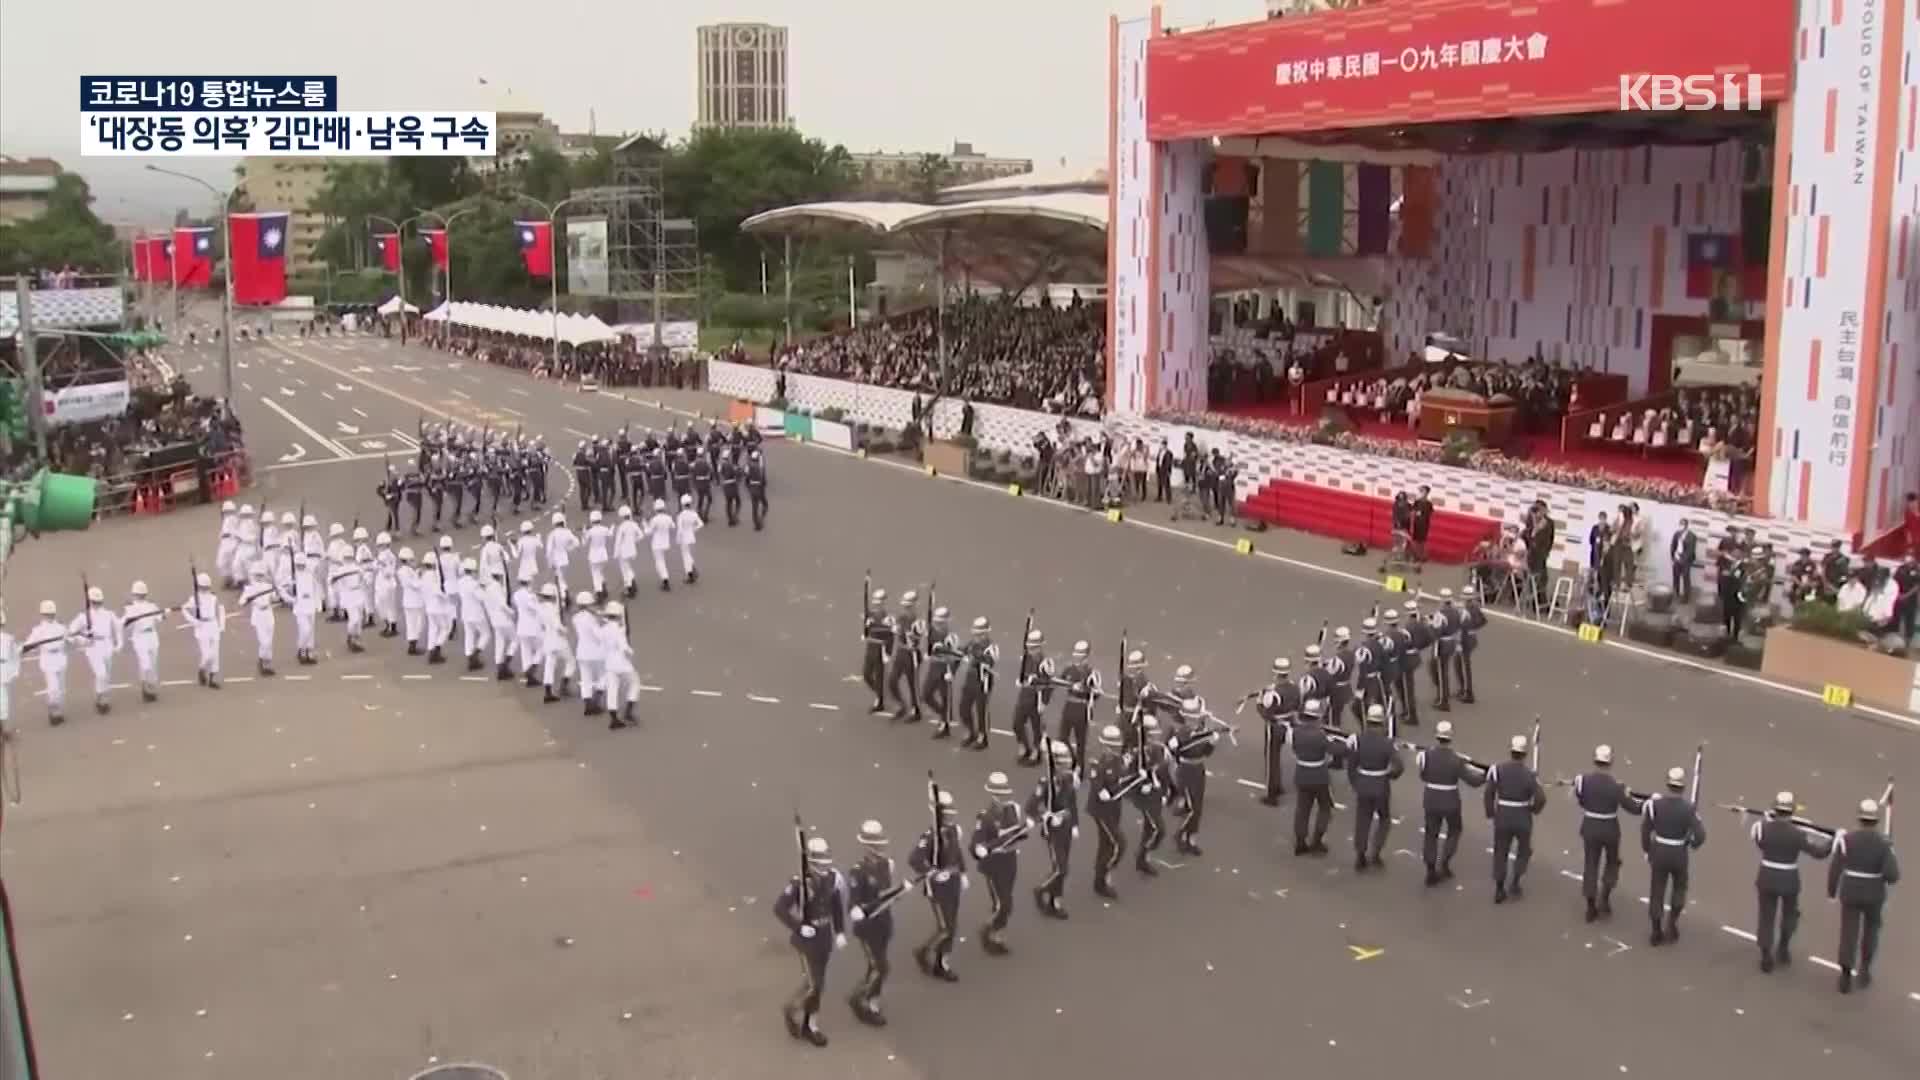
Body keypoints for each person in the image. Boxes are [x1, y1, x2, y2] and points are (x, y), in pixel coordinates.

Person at [771, 834, 845, 1048]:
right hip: (806, 940)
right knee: (816, 984)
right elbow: (779, 908)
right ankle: (793, 1009)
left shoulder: (832, 878)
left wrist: (839, 931)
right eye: (819, 859)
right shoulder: (799, 883)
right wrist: (798, 926)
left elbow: (836, 906)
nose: (824, 864)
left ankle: (809, 1024)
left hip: (824, 937)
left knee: (816, 985)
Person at [1751, 790, 1831, 973]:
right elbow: (1818, 853)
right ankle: (1783, 947)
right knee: (1789, 915)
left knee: (1766, 917)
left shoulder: (1762, 828)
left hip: (1767, 876)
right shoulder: (1797, 834)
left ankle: (1765, 954)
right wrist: (1834, 842)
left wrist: (1766, 822)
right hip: (1789, 879)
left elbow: (1760, 843)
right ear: (1792, 811)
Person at [1829, 798, 1901, 993]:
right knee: (1871, 932)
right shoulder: (1883, 844)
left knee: (1849, 932)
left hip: (1851, 890)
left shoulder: (1847, 839)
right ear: (1876, 820)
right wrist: (1889, 853)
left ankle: (1845, 973)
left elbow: (1836, 867)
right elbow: (1892, 876)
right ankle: (1865, 969)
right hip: (1874, 893)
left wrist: (1832, 891)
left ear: (1860, 819)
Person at [1572, 744, 1643, 921]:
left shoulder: (1583, 780)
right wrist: (1648, 804)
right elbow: (1633, 809)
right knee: (1612, 863)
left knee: (1591, 865)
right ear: (1610, 762)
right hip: (1610, 828)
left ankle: (1590, 906)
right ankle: (1604, 897)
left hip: (1589, 826)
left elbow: (1581, 801)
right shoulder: (1617, 786)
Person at [1642, 766, 1706, 945]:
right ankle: (1672, 922)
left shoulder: (1654, 804)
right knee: (1679, 889)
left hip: (1659, 851)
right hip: (1679, 852)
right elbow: (1700, 835)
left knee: (1657, 891)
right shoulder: (1688, 808)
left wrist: (1647, 850)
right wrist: (1691, 844)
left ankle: (1655, 930)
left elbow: (1646, 829)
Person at [1416, 721, 1485, 885]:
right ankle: (1445, 861)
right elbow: (1472, 781)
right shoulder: (1457, 760)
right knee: (1454, 830)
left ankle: (1430, 868)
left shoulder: (1425, 756)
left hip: (1431, 798)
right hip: (1450, 799)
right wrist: (1485, 776)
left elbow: (1423, 776)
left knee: (1431, 833)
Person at [910, 786, 966, 981]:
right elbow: (915, 859)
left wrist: (963, 872)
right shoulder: (930, 836)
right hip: (938, 888)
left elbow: (957, 853)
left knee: (952, 926)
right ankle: (925, 952)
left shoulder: (952, 831)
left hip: (953, 883)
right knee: (945, 928)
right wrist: (931, 872)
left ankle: (941, 962)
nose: (950, 816)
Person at [844, 820, 896, 1026]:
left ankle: (873, 1000)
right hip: (867, 928)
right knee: (881, 967)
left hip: (883, 923)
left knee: (875, 966)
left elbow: (886, 893)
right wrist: (856, 910)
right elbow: (854, 902)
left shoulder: (886, 864)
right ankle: (858, 998)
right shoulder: (858, 871)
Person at [1484, 733, 1546, 903]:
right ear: (1525, 754)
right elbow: (1541, 798)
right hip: (1522, 816)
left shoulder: (1498, 769)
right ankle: (1516, 881)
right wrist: (1533, 809)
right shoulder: (1529, 775)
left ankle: (1499, 888)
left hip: (1503, 814)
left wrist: (1490, 812)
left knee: (1501, 851)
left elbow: (1489, 792)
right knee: (1523, 851)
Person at [972, 771, 1027, 955]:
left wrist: (1024, 830)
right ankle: (989, 932)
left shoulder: (1014, 809)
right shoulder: (985, 816)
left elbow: (1019, 834)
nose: (1003, 797)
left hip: (1010, 859)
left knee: (1007, 900)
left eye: (1004, 793)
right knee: (1002, 904)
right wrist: (980, 849)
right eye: (998, 794)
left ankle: (996, 931)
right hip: (994, 863)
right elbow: (977, 843)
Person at [1344, 704, 1403, 870]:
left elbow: (1351, 764)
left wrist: (1355, 782)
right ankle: (1375, 852)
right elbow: (1399, 766)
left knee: (1363, 820)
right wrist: (1390, 775)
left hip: (1363, 783)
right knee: (1384, 819)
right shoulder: (1387, 743)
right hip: (1381, 785)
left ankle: (1360, 854)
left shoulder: (1358, 739)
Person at [1026, 739, 1078, 917]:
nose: (1067, 762)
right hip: (1053, 830)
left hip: (1066, 827)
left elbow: (1072, 803)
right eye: (1063, 760)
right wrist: (1045, 817)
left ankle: (1054, 902)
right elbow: (1030, 808)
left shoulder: (1069, 778)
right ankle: (1040, 890)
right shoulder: (1046, 782)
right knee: (1061, 869)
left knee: (1062, 868)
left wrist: (1075, 824)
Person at [1086, 725, 1130, 899]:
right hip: (1101, 810)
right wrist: (1100, 790)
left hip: (1114, 807)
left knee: (1105, 843)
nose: (1112, 749)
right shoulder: (1099, 761)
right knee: (1119, 843)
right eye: (1109, 746)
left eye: (1115, 746)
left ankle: (1099, 881)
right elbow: (1096, 779)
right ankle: (1105, 874)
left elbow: (1122, 778)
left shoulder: (1118, 760)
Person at [1291, 699, 1337, 855]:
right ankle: (1317, 841)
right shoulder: (1321, 735)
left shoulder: (1296, 731)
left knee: (1302, 810)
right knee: (1325, 808)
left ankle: (1300, 842)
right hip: (1319, 775)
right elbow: (1335, 750)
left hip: (1302, 772)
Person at [1254, 657, 1300, 805]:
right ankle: (1278, 785)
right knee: (1276, 757)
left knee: (1271, 759)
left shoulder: (1274, 692)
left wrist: (1259, 702)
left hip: (1275, 726)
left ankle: (1271, 793)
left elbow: (1266, 713)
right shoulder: (1294, 687)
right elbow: (1298, 705)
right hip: (1289, 723)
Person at [1012, 629, 1056, 767]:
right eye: (1030, 647)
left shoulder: (1046, 663)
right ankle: (1024, 746)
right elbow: (1024, 675)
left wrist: (1044, 702)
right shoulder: (1026, 659)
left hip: (1037, 697)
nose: (1032, 650)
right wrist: (1021, 681)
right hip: (1025, 695)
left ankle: (1036, 751)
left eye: (1034, 648)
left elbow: (1050, 684)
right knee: (1017, 722)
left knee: (1036, 727)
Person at [1055, 640, 1100, 772]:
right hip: (1069, 706)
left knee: (1080, 741)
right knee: (1062, 737)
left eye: (1080, 653)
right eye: (1076, 652)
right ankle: (1072, 760)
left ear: (1086, 655)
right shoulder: (1069, 669)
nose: (1076, 655)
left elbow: (1096, 693)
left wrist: (1084, 690)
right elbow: (1060, 681)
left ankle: (1079, 767)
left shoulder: (1091, 673)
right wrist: (1070, 685)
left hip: (1082, 708)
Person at [24, 602, 70, 724]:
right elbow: (29, 644)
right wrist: (21, 650)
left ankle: (58, 711)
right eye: (47, 614)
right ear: (43, 615)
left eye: (51, 614)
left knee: (61, 689)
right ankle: (53, 710)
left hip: (60, 658)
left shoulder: (61, 627)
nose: (49, 616)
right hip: (48, 659)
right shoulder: (38, 630)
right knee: (53, 688)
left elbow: (70, 640)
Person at [120, 582, 166, 702]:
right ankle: (146, 687)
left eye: (141, 594)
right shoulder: (130, 608)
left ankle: (149, 687)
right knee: (146, 664)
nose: (140, 596)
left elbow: (160, 618)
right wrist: (126, 621)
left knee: (153, 664)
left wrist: (163, 613)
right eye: (138, 594)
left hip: (152, 636)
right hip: (139, 638)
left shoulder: (152, 606)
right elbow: (124, 623)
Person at [957, 617, 997, 750]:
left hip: (983, 682)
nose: (977, 637)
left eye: (980, 634)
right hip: (970, 680)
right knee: (963, 707)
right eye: (976, 634)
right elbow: (961, 651)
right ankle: (970, 731)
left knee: (981, 711)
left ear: (986, 633)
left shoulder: (991, 647)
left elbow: (989, 661)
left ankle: (982, 736)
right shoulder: (972, 644)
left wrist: (975, 656)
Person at [179, 574, 225, 689]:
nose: (205, 589)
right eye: (202, 586)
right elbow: (184, 609)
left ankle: (212, 678)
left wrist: (222, 625)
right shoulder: (194, 599)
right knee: (207, 654)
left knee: (215, 654)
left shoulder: (214, 597)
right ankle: (202, 669)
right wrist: (194, 621)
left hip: (213, 625)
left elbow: (221, 610)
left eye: (206, 586)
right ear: (199, 586)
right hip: (201, 627)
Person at [599, 601, 637, 729]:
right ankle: (629, 710)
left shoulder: (603, 629)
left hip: (609, 663)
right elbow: (624, 647)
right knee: (634, 683)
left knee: (612, 690)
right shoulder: (619, 630)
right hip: (621, 662)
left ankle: (614, 718)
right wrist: (631, 652)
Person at [886, 592, 923, 723]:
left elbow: (918, 636)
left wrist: (908, 634)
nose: (906, 609)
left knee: (912, 684)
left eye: (909, 606)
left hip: (911, 653)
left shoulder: (917, 621)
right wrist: (894, 628)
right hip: (901, 652)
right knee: (892, 681)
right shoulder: (901, 617)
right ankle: (901, 705)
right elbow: (896, 628)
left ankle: (916, 710)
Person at [922, 607, 959, 736]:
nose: (939, 625)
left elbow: (956, 657)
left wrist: (952, 672)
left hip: (945, 668)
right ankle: (942, 714)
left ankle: (945, 725)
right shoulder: (933, 632)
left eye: (941, 623)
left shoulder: (951, 637)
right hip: (934, 667)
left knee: (945, 698)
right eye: (937, 622)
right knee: (926, 695)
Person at [240, 565, 278, 677]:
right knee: (264, 641)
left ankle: (267, 663)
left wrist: (275, 593)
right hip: (258, 615)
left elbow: (275, 598)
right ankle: (262, 660)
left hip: (268, 614)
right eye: (257, 575)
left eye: (261, 575)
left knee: (269, 641)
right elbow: (241, 602)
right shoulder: (249, 588)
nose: (259, 577)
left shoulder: (268, 586)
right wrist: (248, 599)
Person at [861, 589, 894, 714]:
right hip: (871, 647)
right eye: (876, 601)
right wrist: (865, 629)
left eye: (880, 602)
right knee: (866, 674)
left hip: (881, 649)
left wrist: (888, 653)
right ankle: (880, 693)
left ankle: (879, 700)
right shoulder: (870, 614)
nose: (877, 604)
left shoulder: (888, 618)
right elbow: (867, 629)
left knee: (879, 676)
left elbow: (891, 636)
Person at [571, 594, 603, 717]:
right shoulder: (591, 619)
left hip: (581, 652)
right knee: (603, 675)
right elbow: (598, 635)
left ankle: (587, 704)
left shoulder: (575, 618)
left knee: (586, 679)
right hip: (595, 652)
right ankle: (597, 698)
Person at [645, 499, 675, 592]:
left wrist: (645, 524)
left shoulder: (654, 519)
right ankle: (664, 578)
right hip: (666, 542)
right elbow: (673, 527)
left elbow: (648, 532)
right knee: (662, 560)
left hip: (656, 544)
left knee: (659, 562)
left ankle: (665, 579)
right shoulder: (668, 518)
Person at [583, 510, 613, 602]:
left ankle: (599, 592)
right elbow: (610, 535)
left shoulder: (590, 531)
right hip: (603, 554)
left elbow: (584, 543)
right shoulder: (605, 529)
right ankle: (604, 588)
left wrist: (584, 532)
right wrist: (612, 528)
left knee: (595, 574)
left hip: (594, 555)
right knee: (600, 572)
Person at [674, 493, 703, 584]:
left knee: (686, 556)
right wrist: (693, 530)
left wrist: (678, 539)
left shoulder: (681, 515)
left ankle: (690, 574)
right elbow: (700, 524)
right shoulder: (694, 513)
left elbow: (680, 529)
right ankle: (693, 570)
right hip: (691, 537)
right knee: (689, 554)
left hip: (684, 538)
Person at [1669, 518, 1699, 604]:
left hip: (1686, 560)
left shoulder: (1692, 536)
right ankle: (1676, 594)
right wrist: (1673, 556)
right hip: (1676, 558)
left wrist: (1683, 559)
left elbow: (1691, 550)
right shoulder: (1677, 534)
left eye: (1683, 524)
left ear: (1686, 525)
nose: (1681, 526)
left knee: (1686, 578)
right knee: (1676, 577)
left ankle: (1686, 597)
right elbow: (1673, 545)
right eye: (1680, 523)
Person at [746, 449, 770, 530]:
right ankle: (761, 518)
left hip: (752, 488)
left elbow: (747, 478)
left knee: (754, 507)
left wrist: (749, 487)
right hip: (759, 487)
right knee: (763, 503)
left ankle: (756, 524)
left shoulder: (748, 466)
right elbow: (762, 479)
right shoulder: (759, 467)